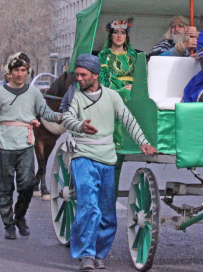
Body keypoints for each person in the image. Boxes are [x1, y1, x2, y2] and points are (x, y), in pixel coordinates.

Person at [61, 54, 157, 271]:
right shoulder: (76, 96)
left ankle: (100, 252)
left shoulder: (112, 96)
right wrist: (79, 126)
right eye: (77, 75)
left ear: (95, 75)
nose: (79, 79)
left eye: (83, 75)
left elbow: (128, 119)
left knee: (107, 211)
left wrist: (143, 142)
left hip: (107, 157)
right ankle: (86, 254)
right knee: (88, 206)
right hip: (83, 155)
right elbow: (67, 117)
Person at [0, 53, 66, 240]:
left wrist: (61, 117)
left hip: (25, 144)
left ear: (27, 72)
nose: (19, 74)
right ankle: (8, 224)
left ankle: (19, 216)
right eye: (16, 70)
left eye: (23, 70)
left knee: (27, 185)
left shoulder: (34, 93)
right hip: (4, 144)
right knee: (5, 188)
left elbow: (45, 112)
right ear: (10, 72)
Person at [97, 20, 138, 194]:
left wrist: (134, 88)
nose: (120, 35)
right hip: (113, 94)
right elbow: (104, 81)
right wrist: (122, 89)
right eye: (116, 32)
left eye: (123, 32)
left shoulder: (133, 55)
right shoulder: (104, 56)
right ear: (110, 35)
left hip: (133, 93)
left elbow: (140, 76)